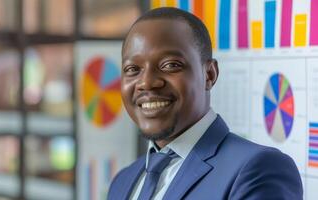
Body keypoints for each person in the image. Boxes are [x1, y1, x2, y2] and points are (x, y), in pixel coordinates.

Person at [108, 7, 303, 200]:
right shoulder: (123, 181)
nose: (147, 82)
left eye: (170, 65)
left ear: (210, 74)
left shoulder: (258, 169)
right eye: (133, 69)